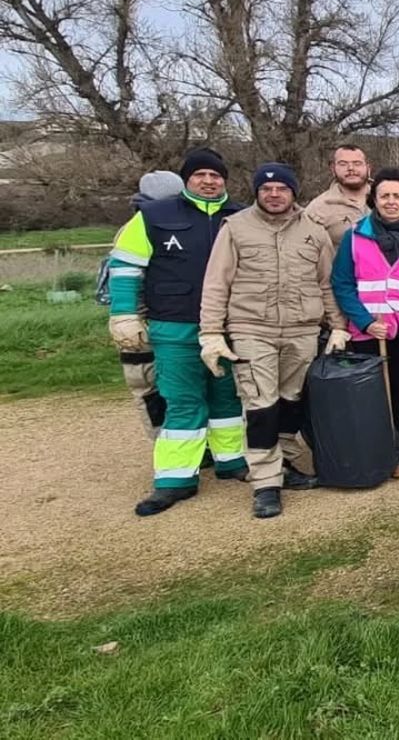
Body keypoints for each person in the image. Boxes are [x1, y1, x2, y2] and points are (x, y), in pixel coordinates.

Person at [108, 147, 246, 516]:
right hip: (175, 324)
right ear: (187, 179)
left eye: (216, 175)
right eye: (200, 174)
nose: (208, 180)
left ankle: (232, 461)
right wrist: (123, 315)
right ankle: (175, 479)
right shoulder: (153, 216)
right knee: (183, 401)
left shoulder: (240, 216)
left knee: (228, 399)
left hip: (230, 325)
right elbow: (124, 267)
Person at [199, 163, 341, 518]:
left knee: (291, 402)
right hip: (252, 330)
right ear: (257, 192)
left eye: (281, 188)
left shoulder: (314, 231)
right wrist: (212, 333)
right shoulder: (236, 228)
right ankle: (265, 482)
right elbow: (217, 283)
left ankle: (287, 465)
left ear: (293, 192)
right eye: (266, 189)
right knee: (261, 406)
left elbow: (327, 283)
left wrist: (338, 325)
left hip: (302, 329)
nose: (274, 194)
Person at [331, 168, 399, 467]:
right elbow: (342, 283)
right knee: (372, 390)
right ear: (374, 199)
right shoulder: (354, 237)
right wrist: (366, 321)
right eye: (384, 196)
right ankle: (378, 442)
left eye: (398, 196)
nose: (391, 201)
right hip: (370, 328)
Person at [106, 170, 183, 440]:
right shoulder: (137, 228)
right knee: (147, 386)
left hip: (169, 319)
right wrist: (125, 317)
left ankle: (191, 441)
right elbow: (123, 276)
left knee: (179, 385)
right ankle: (163, 441)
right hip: (139, 323)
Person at [305, 143, 371, 247]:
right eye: (343, 164)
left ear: (368, 168)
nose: (350, 168)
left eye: (357, 163)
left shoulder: (389, 198)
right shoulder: (318, 209)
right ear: (333, 169)